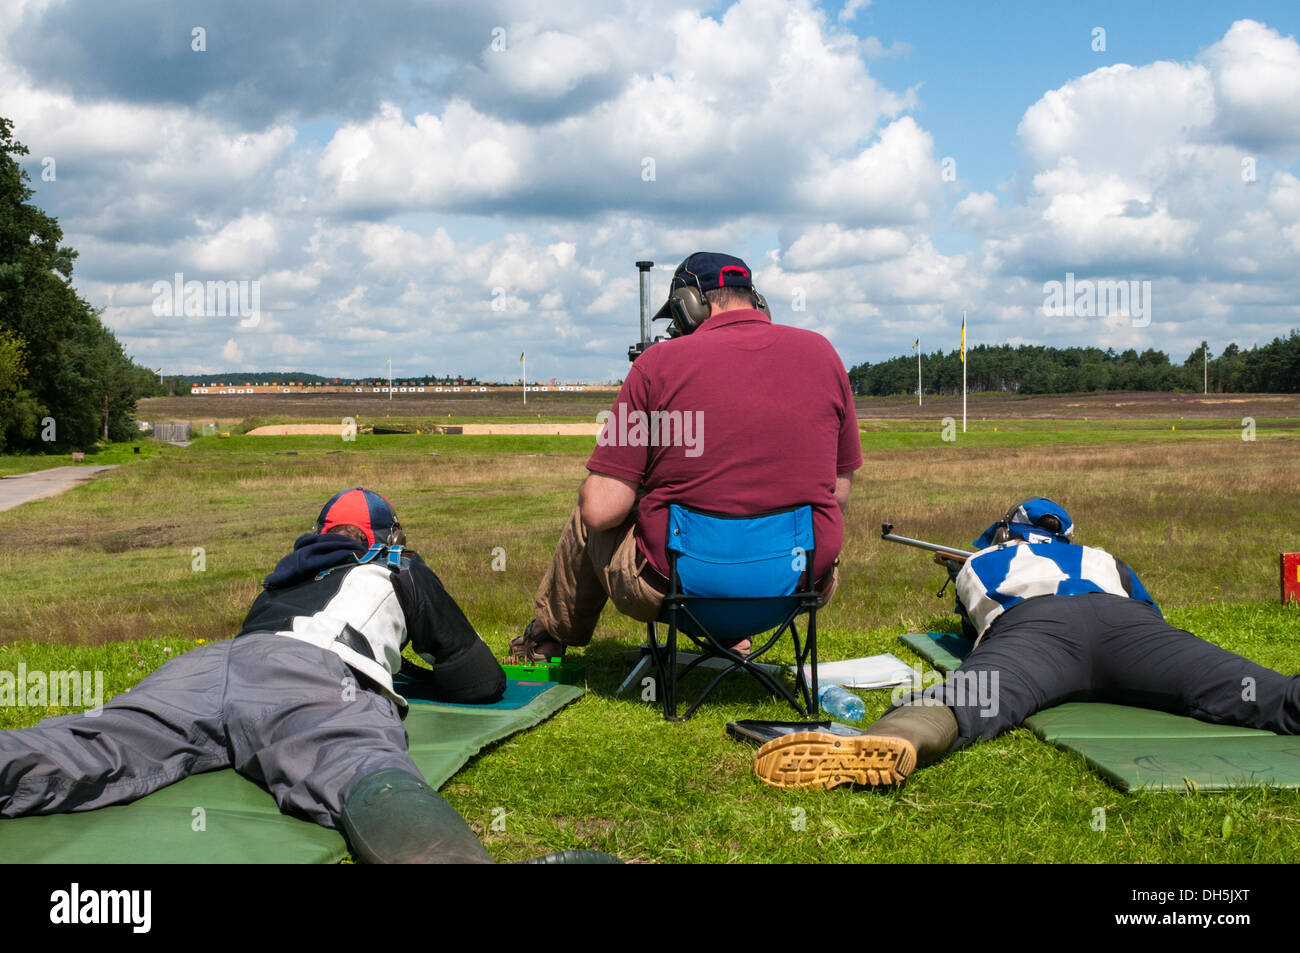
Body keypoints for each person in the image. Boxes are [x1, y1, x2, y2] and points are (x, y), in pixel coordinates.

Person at [0, 488, 603, 863]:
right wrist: (403, 676)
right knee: (360, 766)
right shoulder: (398, 567)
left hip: (211, 665)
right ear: (388, 539)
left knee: (92, 743)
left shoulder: (283, 581)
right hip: (314, 673)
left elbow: (254, 681)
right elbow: (478, 683)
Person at [753, 496, 1300, 789]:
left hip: (1036, 629)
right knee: (1254, 688)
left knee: (967, 698)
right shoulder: (1102, 557)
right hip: (1129, 626)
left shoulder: (987, 561)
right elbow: (1151, 611)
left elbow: (974, 630)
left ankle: (894, 741)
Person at [508, 252, 862, 663]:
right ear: (757, 300)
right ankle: (732, 637)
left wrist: (647, 484)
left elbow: (602, 510)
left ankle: (548, 636)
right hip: (799, 583)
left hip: (681, 589)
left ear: (690, 304)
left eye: (676, 318)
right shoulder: (823, 354)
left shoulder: (655, 364)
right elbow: (837, 495)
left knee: (592, 502)